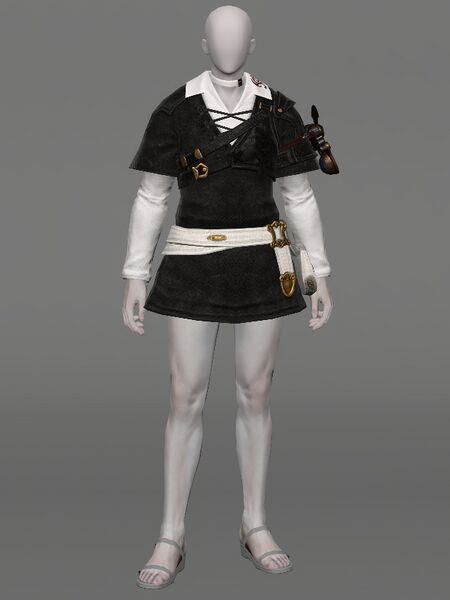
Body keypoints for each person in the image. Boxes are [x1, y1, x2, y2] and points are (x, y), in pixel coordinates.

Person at [122, 5, 334, 589]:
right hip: (193, 261)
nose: (229, 45)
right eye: (219, 35)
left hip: (263, 262)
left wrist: (318, 271)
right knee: (184, 395)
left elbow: (298, 195)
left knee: (256, 392)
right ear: (203, 42)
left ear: (253, 44)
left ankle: (254, 524)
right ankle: (172, 533)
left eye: (239, 36)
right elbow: (152, 196)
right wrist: (135, 272)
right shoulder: (175, 111)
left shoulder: (278, 111)